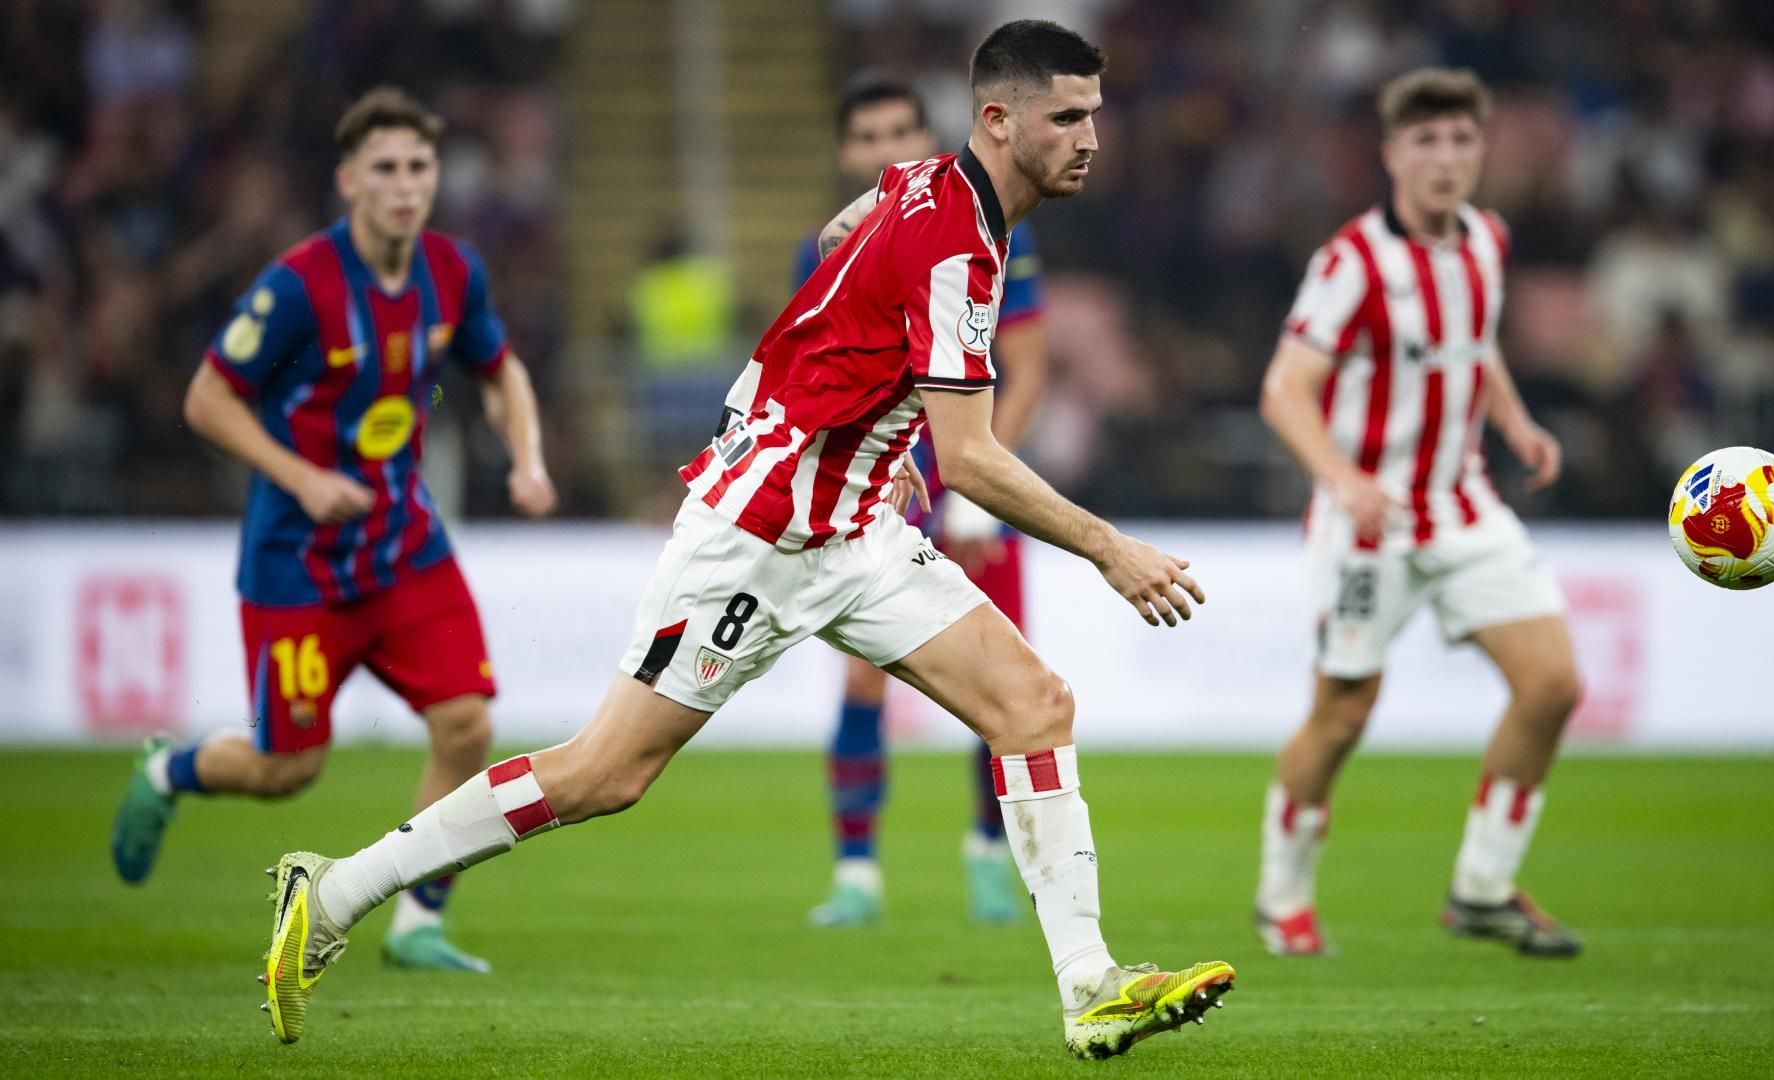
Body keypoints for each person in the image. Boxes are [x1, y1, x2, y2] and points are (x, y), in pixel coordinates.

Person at [262, 22, 1232, 1059]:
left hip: (852, 524)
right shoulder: (957, 242)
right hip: (760, 534)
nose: (1094, 136)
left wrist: (874, 425)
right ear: (999, 119)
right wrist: (1109, 548)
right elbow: (979, 459)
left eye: (1095, 113)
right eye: (1069, 116)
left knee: (1034, 706)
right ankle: (334, 890)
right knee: (605, 776)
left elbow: (832, 243)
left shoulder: (925, 183)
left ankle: (1091, 986)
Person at [111, 87, 557, 973]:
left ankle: (417, 923)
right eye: (385, 169)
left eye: (419, 168)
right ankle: (168, 772)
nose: (405, 186)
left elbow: (498, 370)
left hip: (405, 550)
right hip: (299, 564)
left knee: (465, 726)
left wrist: (528, 459)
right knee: (288, 770)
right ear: (349, 181)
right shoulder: (299, 289)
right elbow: (207, 399)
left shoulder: (452, 272)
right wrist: (303, 478)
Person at [1252, 68, 1584, 959]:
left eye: (1461, 141)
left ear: (1481, 150)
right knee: (1344, 713)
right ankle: (1281, 894)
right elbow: (1284, 391)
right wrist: (1341, 477)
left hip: (1464, 503)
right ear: (1393, 155)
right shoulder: (1350, 263)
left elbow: (1472, 343)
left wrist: (1513, 420)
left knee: (1553, 684)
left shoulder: (1486, 239)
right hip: (1369, 524)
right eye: (1427, 142)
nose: (1446, 159)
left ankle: (1481, 887)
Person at [792, 77, 1050, 928]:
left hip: (973, 477)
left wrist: (980, 484)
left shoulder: (990, 226)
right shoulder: (822, 248)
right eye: (868, 135)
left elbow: (1027, 363)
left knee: (1003, 676)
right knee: (865, 673)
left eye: (901, 130)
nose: (886, 148)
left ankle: (986, 856)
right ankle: (857, 872)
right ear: (845, 153)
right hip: (878, 482)